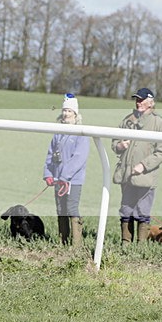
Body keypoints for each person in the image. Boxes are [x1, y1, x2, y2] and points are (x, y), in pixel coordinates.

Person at [111, 88, 162, 243]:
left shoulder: (158, 122)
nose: (138, 102)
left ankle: (140, 247)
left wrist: (143, 165)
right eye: (137, 99)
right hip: (126, 175)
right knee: (126, 210)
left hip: (146, 177)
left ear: (151, 102)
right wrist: (120, 146)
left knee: (143, 212)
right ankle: (126, 244)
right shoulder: (127, 120)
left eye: (141, 100)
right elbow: (115, 143)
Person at [43, 94, 91, 246]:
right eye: (64, 111)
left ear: (75, 114)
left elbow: (78, 158)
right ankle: (62, 242)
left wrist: (65, 177)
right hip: (58, 180)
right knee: (60, 209)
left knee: (71, 208)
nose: (66, 114)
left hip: (72, 181)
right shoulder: (57, 133)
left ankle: (76, 244)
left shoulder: (81, 134)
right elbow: (50, 155)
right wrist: (48, 174)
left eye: (69, 111)